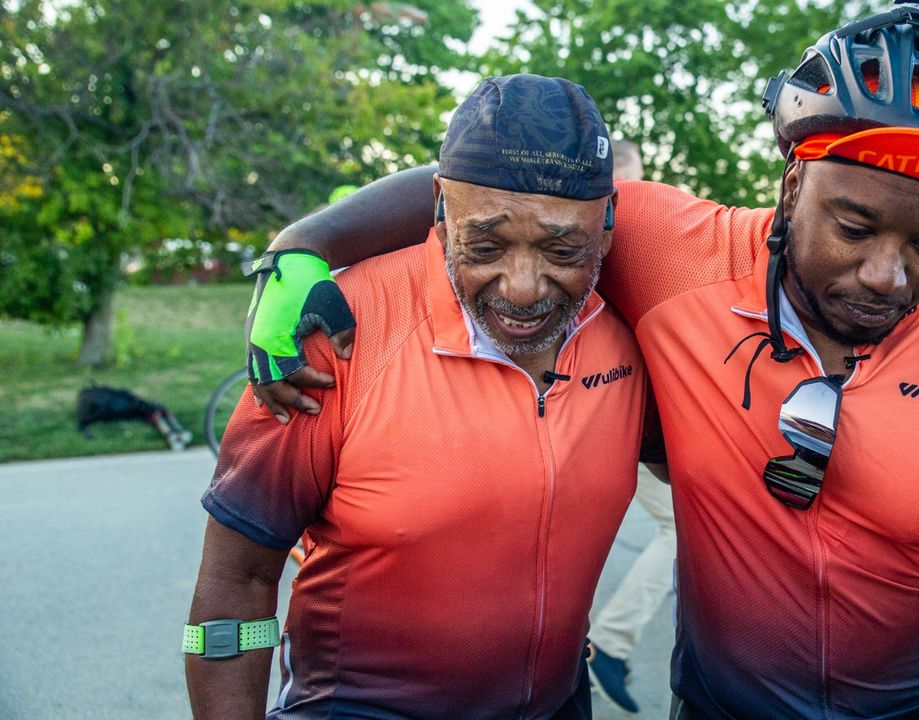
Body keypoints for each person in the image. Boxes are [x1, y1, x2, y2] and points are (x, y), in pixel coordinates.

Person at [246, 3, 919, 718]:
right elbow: (500, 188)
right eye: (852, 227)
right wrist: (303, 247)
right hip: (720, 705)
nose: (885, 272)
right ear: (790, 184)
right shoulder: (678, 255)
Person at [184, 74, 655, 720]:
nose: (522, 288)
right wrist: (296, 247)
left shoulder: (632, 334)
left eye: (561, 249)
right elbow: (237, 580)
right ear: (439, 208)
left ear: (607, 226)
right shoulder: (331, 332)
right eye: (484, 245)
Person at [585, 137, 676, 715]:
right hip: (617, 409)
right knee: (687, 533)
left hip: (611, 407)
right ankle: (607, 645)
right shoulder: (615, 226)